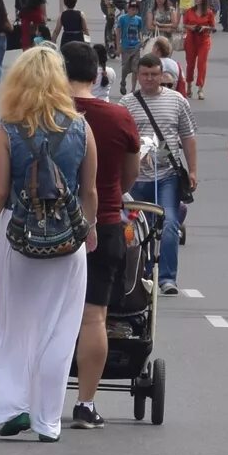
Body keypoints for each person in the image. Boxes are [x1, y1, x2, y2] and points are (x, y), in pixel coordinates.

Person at [0, 45, 96, 440]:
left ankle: (14, 405)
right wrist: (86, 230)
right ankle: (48, 421)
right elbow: (89, 191)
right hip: (67, 241)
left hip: (19, 236)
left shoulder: (8, 128)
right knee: (61, 328)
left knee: (14, 325)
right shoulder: (81, 127)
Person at [62, 41, 140, 430]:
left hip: (52, 225)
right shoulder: (117, 116)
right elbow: (130, 176)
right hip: (104, 221)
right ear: (97, 75)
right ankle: (86, 403)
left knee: (51, 315)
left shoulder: (49, 116)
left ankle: (38, 396)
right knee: (94, 316)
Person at [123, 48, 195, 287]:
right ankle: (138, 274)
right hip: (136, 176)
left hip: (167, 175)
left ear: (162, 75)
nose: (150, 79)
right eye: (145, 74)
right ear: (138, 75)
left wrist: (192, 170)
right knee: (132, 227)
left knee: (170, 222)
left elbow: (187, 137)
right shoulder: (127, 104)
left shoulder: (176, 101)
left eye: (154, 74)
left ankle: (166, 278)